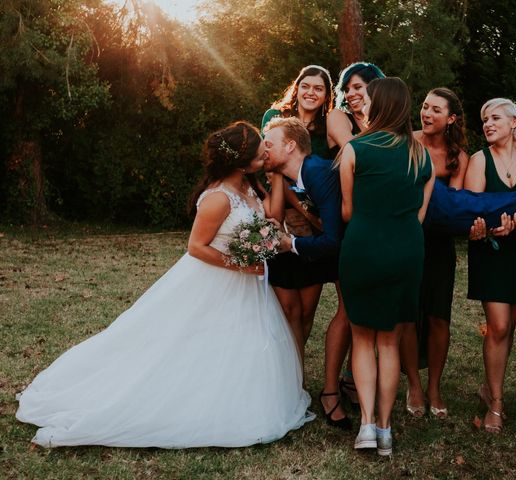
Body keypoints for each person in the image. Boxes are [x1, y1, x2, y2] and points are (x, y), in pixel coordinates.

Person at [15, 122, 313, 448]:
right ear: (240, 160)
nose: (264, 155)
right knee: (189, 342)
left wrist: (269, 223)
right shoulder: (218, 198)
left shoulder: (248, 187)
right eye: (259, 153)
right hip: (217, 281)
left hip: (248, 285)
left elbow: (267, 215)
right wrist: (241, 264)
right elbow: (196, 247)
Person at [339, 77, 435, 456]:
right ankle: (386, 429)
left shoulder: (353, 149)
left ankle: (365, 426)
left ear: (375, 105)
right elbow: (420, 215)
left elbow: (347, 211)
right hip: (406, 249)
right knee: (390, 340)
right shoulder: (421, 155)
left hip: (363, 246)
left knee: (362, 337)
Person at [262, 116, 352, 430]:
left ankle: (336, 390)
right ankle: (328, 390)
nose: (264, 148)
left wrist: (291, 243)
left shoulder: (316, 171)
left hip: (357, 249)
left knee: (354, 315)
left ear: (290, 145)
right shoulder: (296, 177)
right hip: (337, 249)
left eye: (269, 142)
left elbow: (333, 239)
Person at [464, 97, 516, 433]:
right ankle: (496, 401)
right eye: (484, 119)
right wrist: (490, 225)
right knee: (496, 326)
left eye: (495, 117)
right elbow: (473, 208)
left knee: (507, 327)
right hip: (491, 251)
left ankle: (488, 386)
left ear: (514, 123)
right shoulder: (479, 160)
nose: (488, 124)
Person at [403, 87, 469, 419]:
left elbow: (454, 205)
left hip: (439, 243)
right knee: (410, 316)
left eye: (436, 110)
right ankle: (414, 384)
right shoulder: (406, 141)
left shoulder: (458, 155)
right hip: (405, 237)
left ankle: (435, 387)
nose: (427, 114)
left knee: (439, 316)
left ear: (451, 118)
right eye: (425, 107)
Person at [326, 61, 386, 408]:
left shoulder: (383, 123)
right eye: (348, 88)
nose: (351, 94)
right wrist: (375, 123)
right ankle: (330, 389)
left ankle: (353, 377)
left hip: (380, 222)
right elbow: (358, 152)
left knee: (371, 309)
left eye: (359, 87)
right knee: (348, 309)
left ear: (375, 90)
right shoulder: (339, 118)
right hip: (349, 220)